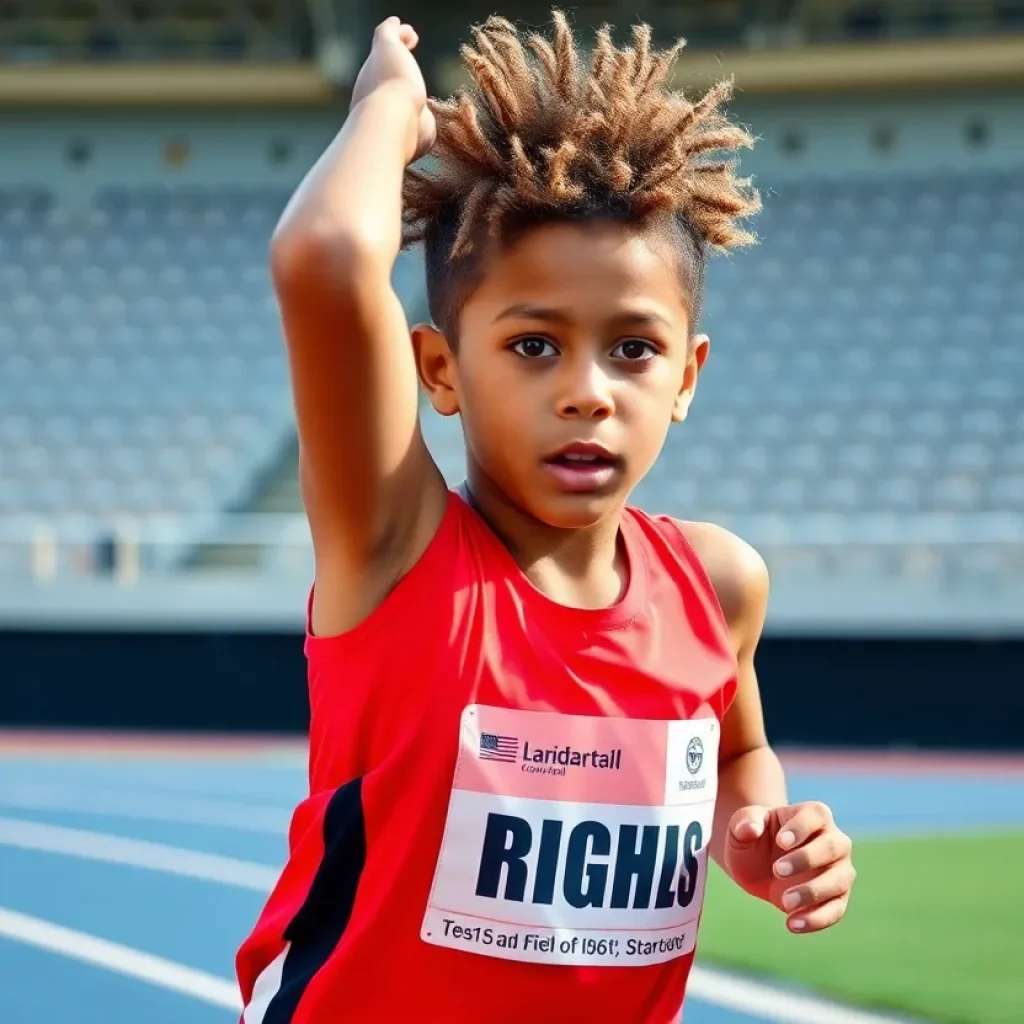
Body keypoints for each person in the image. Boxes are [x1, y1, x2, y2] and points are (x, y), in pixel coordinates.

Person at [236, 11, 856, 1023]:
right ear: (440, 369)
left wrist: (759, 831)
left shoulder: (719, 587)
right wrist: (389, 110)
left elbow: (737, 756)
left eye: (633, 349)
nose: (587, 393)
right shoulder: (396, 553)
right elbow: (325, 258)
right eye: (533, 346)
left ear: (687, 376)